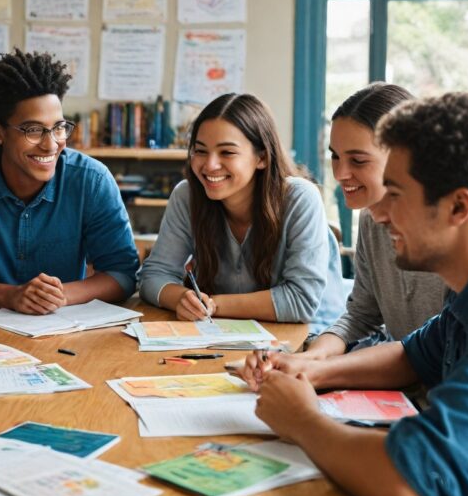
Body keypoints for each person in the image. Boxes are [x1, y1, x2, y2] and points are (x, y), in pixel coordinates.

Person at [244, 93, 468, 496]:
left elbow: (411, 484)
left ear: (458, 207)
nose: (380, 214)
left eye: (397, 193)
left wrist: (301, 419)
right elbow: (411, 357)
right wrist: (310, 370)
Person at [0, 49, 139, 314]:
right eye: (33, 130)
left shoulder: (92, 180)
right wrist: (9, 296)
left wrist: (56, 296)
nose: (51, 144)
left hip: (65, 327)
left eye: (58, 127)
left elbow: (123, 274)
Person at [139, 93, 345, 328]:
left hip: (313, 340)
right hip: (229, 335)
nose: (209, 165)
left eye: (227, 152)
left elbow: (301, 301)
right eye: (200, 150)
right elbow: (152, 276)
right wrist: (180, 299)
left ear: (262, 158)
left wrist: (214, 305)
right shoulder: (187, 196)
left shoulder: (300, 198)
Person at [306, 83, 448, 358]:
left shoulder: (455, 234)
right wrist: (313, 357)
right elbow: (361, 314)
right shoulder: (371, 217)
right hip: (405, 385)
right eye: (335, 157)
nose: (340, 173)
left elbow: (438, 350)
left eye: (358, 160)